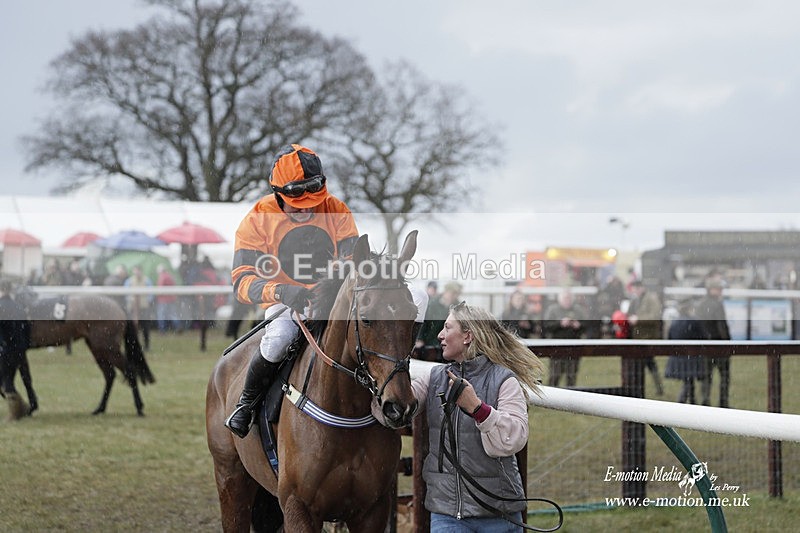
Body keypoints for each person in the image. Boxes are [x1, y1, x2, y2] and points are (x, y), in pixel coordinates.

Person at [225, 144, 360, 438]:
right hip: (285, 301)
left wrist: (334, 283)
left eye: (313, 202)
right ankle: (246, 405)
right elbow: (241, 281)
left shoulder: (336, 209)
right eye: (299, 205)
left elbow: (353, 260)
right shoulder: (257, 219)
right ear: (278, 193)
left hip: (334, 300)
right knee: (279, 339)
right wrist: (282, 291)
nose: (308, 209)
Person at [411, 301, 543, 532]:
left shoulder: (504, 379)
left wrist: (477, 409)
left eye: (447, 328)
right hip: (447, 515)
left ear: (467, 336)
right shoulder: (433, 377)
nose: (440, 335)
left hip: (498, 514)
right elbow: (394, 410)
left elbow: (513, 439)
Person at [695, 278, 731, 407]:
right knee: (724, 377)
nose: (721, 291)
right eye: (719, 289)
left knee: (706, 377)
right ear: (712, 290)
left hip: (705, 347)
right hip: (719, 346)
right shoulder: (718, 304)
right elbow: (722, 326)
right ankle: (723, 402)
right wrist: (728, 343)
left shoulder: (700, 304)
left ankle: (705, 401)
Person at [664, 301, 709, 404]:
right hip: (691, 357)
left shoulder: (674, 322)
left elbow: (669, 338)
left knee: (688, 381)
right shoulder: (695, 322)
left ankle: (690, 401)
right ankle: (683, 402)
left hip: (678, 357)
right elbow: (704, 337)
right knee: (689, 381)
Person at [626, 281, 665, 396]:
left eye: (637, 288)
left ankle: (657, 388)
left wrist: (638, 319)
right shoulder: (634, 301)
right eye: (634, 288)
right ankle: (641, 388)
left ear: (642, 288)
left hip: (648, 337)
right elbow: (629, 314)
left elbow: (655, 317)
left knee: (649, 364)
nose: (636, 290)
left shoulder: (651, 299)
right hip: (637, 338)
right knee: (641, 364)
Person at [543, 287, 586, 387]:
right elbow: (546, 326)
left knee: (571, 375)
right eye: (565, 298)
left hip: (574, 347)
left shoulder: (578, 310)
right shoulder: (552, 310)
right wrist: (560, 324)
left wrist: (578, 325)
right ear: (560, 299)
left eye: (569, 298)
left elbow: (586, 326)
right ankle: (551, 398)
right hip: (557, 347)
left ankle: (571, 398)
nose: (567, 301)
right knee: (555, 375)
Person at [0, 280, 32, 405]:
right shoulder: (19, 307)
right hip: (19, 350)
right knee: (9, 380)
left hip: (6, 350)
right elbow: (27, 328)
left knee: (7, 383)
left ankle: (17, 410)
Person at [417, 281, 462, 362]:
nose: (454, 296)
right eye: (452, 293)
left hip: (446, 342)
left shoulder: (457, 306)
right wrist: (419, 338)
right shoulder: (433, 303)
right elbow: (424, 321)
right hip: (430, 340)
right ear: (446, 291)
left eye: (456, 294)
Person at [125, 265, 154, 351]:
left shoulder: (147, 280)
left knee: (145, 327)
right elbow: (126, 293)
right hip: (133, 308)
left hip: (144, 308)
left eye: (138, 271)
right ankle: (133, 346)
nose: (137, 273)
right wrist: (132, 300)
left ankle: (147, 346)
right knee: (132, 328)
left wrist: (146, 300)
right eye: (135, 271)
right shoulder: (129, 281)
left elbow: (151, 293)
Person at [155, 264, 180, 333]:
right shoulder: (170, 276)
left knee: (161, 315)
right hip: (172, 299)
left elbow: (160, 289)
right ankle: (177, 326)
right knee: (173, 314)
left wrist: (156, 295)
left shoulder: (162, 277)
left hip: (163, 300)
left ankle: (162, 330)